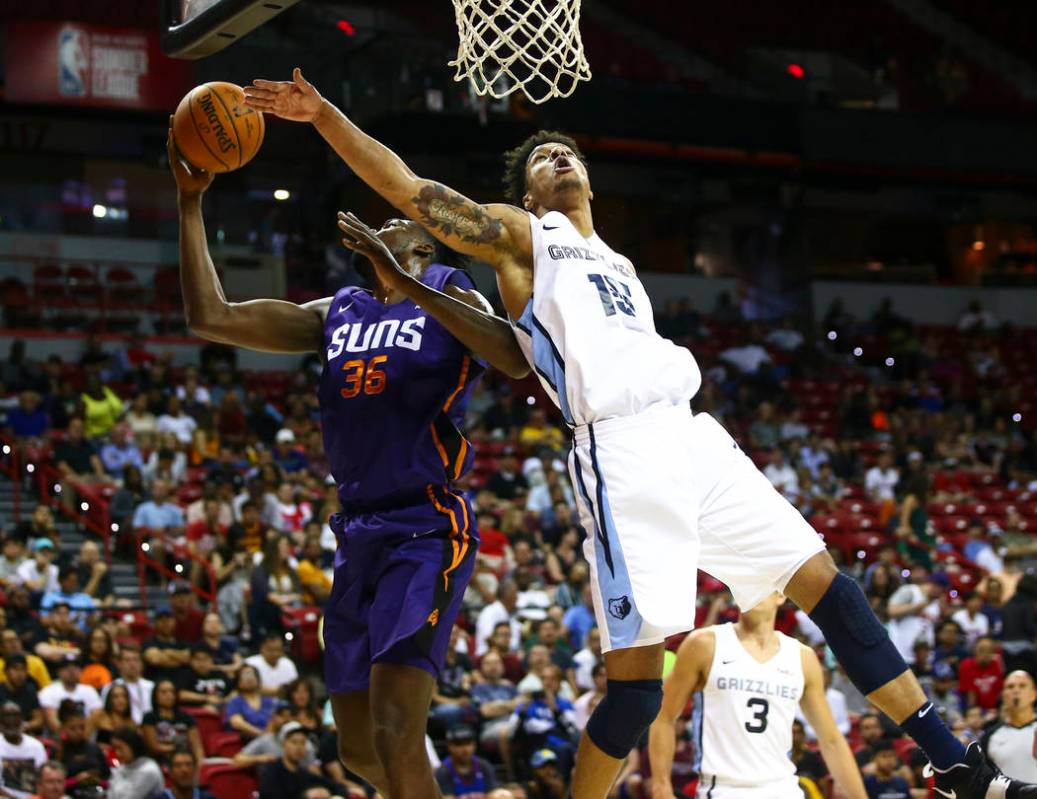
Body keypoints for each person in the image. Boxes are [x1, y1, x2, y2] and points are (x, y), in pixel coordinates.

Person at [243, 69, 1034, 797]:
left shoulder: (614, 256)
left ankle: (950, 761)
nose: (557, 159)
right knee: (634, 690)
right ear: (525, 191)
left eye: (565, 152)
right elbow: (412, 191)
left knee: (824, 579)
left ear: (588, 175)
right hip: (619, 451)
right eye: (540, 159)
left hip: (691, 434)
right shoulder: (523, 239)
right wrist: (323, 117)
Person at [170, 109, 530, 799]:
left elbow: (512, 358)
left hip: (426, 527)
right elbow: (208, 316)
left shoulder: (451, 293)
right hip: (357, 529)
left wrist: (412, 278)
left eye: (403, 223)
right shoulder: (338, 309)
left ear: (425, 243)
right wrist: (191, 201)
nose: (390, 220)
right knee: (362, 749)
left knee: (398, 732)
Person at [647, 592, 866, 799]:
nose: (751, 589)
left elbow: (831, 741)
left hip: (784, 789)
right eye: (744, 583)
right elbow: (664, 717)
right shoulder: (705, 644)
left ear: (781, 596)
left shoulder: (802, 657)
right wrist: (661, 787)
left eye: (761, 582)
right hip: (723, 789)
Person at [980, 671, 1037, 782]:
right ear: (1003, 695)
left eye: (1022, 686)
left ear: (1034, 694)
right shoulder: (990, 736)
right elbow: (983, 781)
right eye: (1010, 687)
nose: (1016, 690)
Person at [257, 722, 340, 799]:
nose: (299, 747)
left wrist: (324, 791)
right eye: (294, 742)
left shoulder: (305, 774)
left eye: (303, 743)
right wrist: (305, 795)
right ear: (283, 744)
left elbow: (337, 788)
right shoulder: (270, 771)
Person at [141, 679, 205, 765]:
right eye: (164, 692)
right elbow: (154, 747)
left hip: (187, 760)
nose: (169, 695)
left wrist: (200, 763)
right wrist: (177, 749)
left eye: (172, 692)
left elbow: (197, 746)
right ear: (155, 696)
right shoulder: (149, 718)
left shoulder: (187, 718)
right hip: (160, 762)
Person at [54, 700, 108, 795]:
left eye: (82, 728)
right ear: (63, 728)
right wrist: (75, 781)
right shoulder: (58, 750)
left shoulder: (94, 748)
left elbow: (108, 780)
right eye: (73, 728)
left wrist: (96, 780)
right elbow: (53, 785)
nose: (78, 732)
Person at [38, 656, 101, 734]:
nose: (71, 671)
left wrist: (82, 735)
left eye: (75, 667)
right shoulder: (49, 691)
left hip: (85, 737)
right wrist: (68, 736)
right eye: (66, 667)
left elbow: (96, 716)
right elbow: (52, 721)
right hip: (58, 739)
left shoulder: (89, 690)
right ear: (59, 671)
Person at [435, 725, 499, 798]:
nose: (465, 749)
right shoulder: (443, 771)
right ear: (449, 746)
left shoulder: (483, 765)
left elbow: (493, 792)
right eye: (459, 744)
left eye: (468, 743)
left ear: (474, 744)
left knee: (501, 795)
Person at [0, 702, 47, 799]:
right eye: (7, 716)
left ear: (22, 720)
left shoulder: (36, 746)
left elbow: (44, 779)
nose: (11, 720)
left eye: (15, 716)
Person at [108, 726, 164, 799]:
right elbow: (110, 795)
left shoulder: (149, 770)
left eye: (120, 748)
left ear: (132, 745)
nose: (117, 753)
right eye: (115, 748)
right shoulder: (122, 767)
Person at [102, 646, 154, 724]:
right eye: (127, 660)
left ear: (142, 664)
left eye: (135, 660)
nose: (132, 664)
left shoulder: (151, 687)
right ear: (119, 664)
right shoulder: (110, 687)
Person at [0, 654, 43, 735]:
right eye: (15, 669)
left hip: (24, 733)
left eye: (23, 669)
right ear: (6, 671)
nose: (19, 674)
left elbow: (39, 720)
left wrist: (25, 726)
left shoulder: (30, 691)